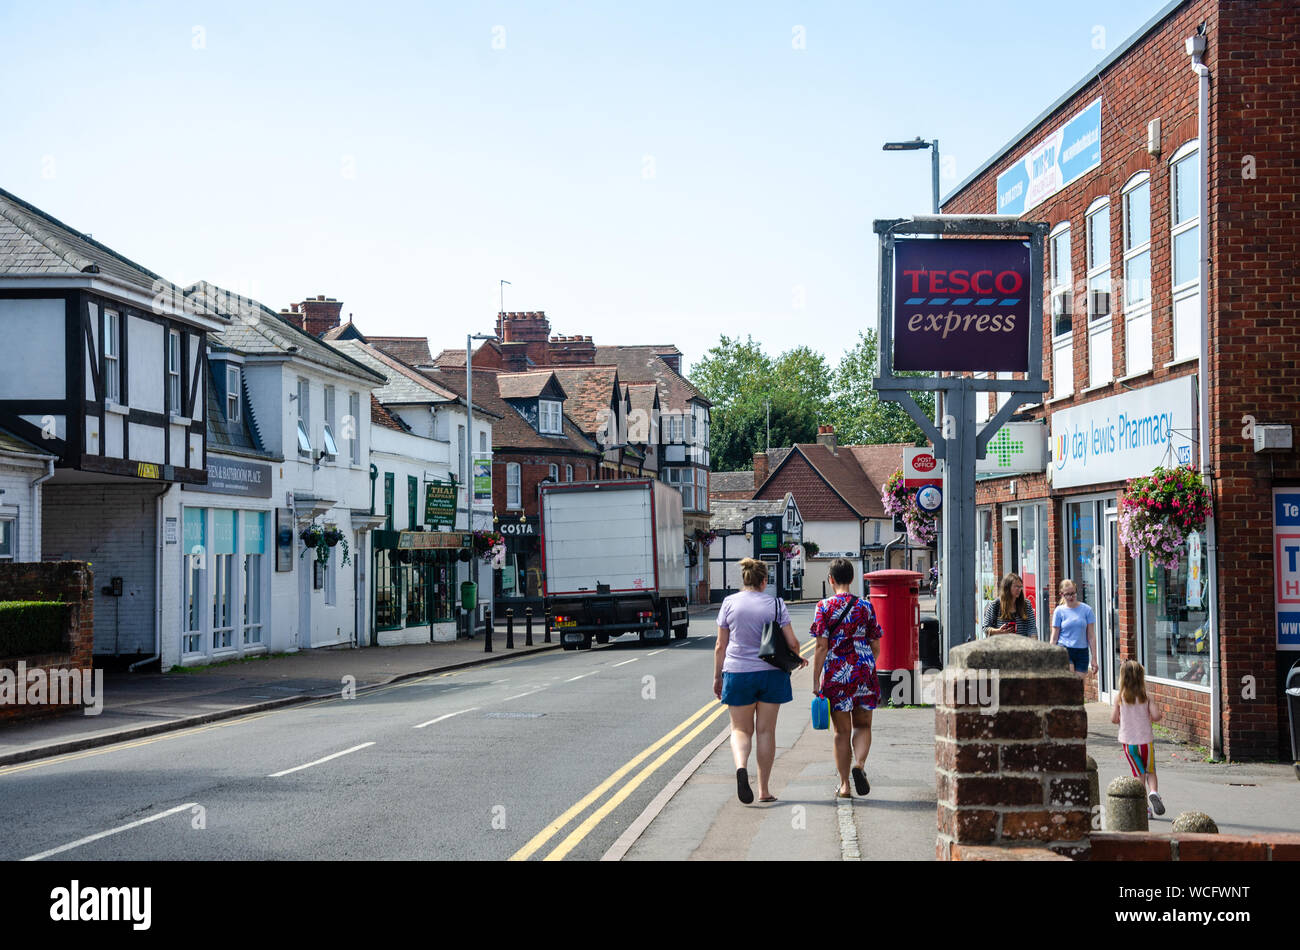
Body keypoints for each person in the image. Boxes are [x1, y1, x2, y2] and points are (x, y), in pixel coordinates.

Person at [714, 557, 807, 804]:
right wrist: (798, 658)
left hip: (737, 672)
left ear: (744, 579)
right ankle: (764, 789)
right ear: (764, 581)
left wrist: (717, 677)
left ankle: (740, 768)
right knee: (766, 731)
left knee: (740, 730)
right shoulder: (775, 604)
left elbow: (720, 646)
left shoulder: (729, 603)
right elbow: (793, 642)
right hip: (770, 674)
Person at [810, 558, 882, 799]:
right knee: (863, 725)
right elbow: (876, 644)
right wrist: (867, 663)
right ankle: (859, 765)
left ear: (831, 579)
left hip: (836, 673)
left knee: (841, 732)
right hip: (863, 670)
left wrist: (816, 679)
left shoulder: (823, 607)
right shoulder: (865, 606)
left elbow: (821, 647)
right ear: (852, 579)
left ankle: (844, 785)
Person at [1111, 659, 1165, 817]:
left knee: (1139, 774)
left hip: (1129, 743)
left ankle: (1145, 807)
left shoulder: (1119, 697)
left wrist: (1122, 718)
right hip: (1145, 742)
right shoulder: (1146, 696)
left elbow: (1114, 719)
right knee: (1150, 770)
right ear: (1141, 677)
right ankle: (1154, 792)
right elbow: (1156, 716)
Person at [1051, 580, 1097, 676]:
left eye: (1073, 593)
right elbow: (1054, 636)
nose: (1071, 597)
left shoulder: (1087, 610)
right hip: (1064, 649)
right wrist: (1050, 654)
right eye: (1067, 594)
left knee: (1078, 685)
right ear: (1062, 594)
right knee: (1070, 681)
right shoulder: (1059, 611)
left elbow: (1091, 636)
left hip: (1082, 651)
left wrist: (1094, 658)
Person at [981, 572, 1036, 638]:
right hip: (1002, 646)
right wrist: (998, 631)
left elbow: (1032, 628)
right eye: (1016, 586)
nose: (1019, 589)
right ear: (1007, 587)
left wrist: (1034, 642)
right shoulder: (995, 604)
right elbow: (985, 628)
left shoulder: (1026, 604)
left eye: (1020, 587)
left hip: (1022, 646)